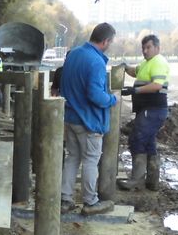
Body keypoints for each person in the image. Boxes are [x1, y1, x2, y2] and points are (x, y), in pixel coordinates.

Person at [58, 23, 118, 215]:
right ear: (106, 41)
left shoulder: (74, 54)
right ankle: (90, 202)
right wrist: (112, 99)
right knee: (91, 160)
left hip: (70, 116)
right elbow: (95, 95)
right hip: (89, 120)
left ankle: (65, 199)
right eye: (110, 42)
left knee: (72, 157)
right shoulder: (96, 62)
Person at [118, 34, 170, 191]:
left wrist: (135, 90)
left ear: (157, 48)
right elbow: (136, 72)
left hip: (153, 109)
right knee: (148, 143)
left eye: (148, 47)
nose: (145, 51)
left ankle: (136, 180)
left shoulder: (158, 62)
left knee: (137, 139)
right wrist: (126, 68)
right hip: (148, 109)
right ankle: (152, 181)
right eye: (143, 48)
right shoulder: (147, 63)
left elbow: (157, 85)